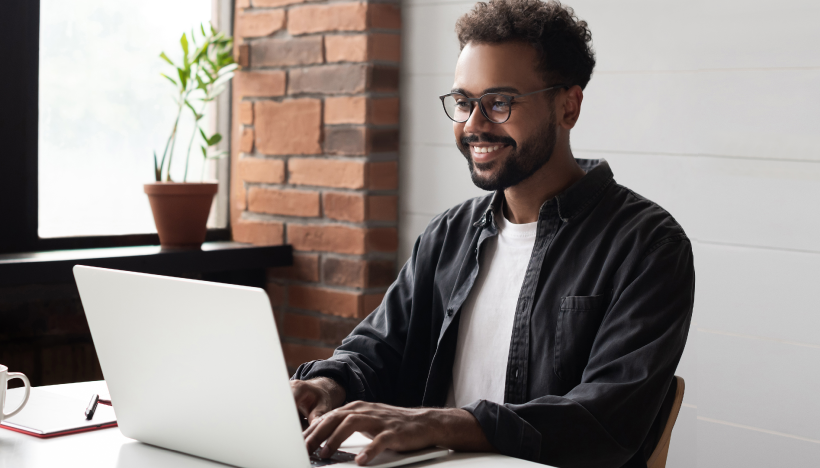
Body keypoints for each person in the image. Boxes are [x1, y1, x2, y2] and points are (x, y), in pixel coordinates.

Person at [290, 1, 695, 467]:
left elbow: (604, 419)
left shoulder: (646, 245)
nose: (474, 125)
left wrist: (437, 423)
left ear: (568, 105)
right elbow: (377, 351)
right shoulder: (449, 234)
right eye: (464, 102)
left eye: (499, 102)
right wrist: (325, 384)